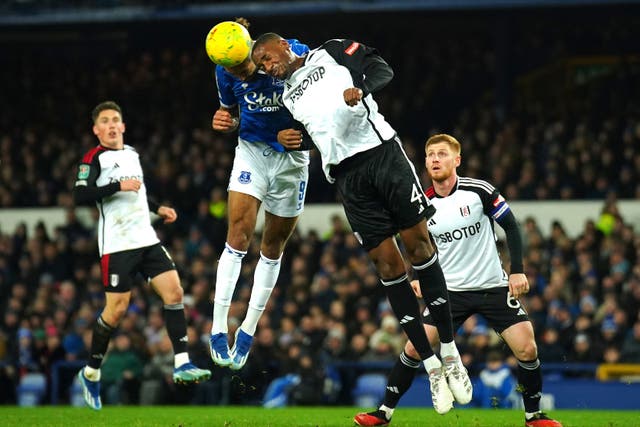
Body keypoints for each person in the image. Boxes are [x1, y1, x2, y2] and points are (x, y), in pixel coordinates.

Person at [251, 35, 470, 414]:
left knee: (420, 247)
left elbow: (383, 70)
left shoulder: (332, 51)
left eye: (268, 58)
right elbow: (317, 133)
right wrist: (292, 140)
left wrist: (360, 89)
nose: (267, 67)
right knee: (388, 265)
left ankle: (449, 352)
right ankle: (431, 365)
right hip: (348, 179)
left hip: (381, 153)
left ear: (284, 47)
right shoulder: (287, 98)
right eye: (262, 66)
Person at [354, 134, 562, 427]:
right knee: (414, 348)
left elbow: (511, 226)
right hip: (448, 291)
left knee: (527, 348)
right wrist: (415, 276)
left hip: (492, 286)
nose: (435, 159)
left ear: (457, 160)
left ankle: (533, 416)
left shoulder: (479, 191)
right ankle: (383, 413)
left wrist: (517, 269)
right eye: (430, 155)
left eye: (441, 154)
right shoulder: (420, 202)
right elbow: (415, 244)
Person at [73, 101, 211, 410]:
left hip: (146, 239)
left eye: (115, 120)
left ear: (122, 126)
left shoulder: (132, 154)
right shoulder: (93, 159)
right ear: (96, 130)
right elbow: (80, 195)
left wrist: (157, 208)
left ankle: (182, 362)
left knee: (175, 291)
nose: (111, 125)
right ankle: (91, 372)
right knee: (116, 311)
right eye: (104, 121)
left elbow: (140, 192)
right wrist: (116, 184)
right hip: (117, 244)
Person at [207, 19, 311, 371]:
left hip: (293, 161)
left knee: (272, 247)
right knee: (237, 237)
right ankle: (218, 326)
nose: (236, 72)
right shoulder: (225, 72)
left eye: (241, 65)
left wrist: (297, 133)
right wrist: (227, 123)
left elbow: (322, 109)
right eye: (229, 68)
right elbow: (234, 114)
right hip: (252, 152)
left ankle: (248, 329)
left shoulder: (291, 55)